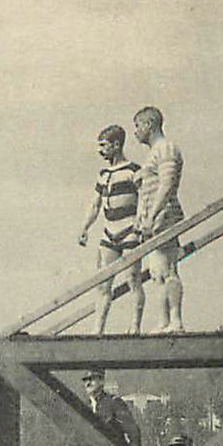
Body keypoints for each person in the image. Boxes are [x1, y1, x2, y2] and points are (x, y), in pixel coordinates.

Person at [77, 124, 146, 335]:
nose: (100, 151)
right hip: (109, 232)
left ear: (116, 145)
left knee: (133, 278)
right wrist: (85, 227)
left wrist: (141, 222)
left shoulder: (134, 170)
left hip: (129, 229)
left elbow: (143, 198)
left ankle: (134, 325)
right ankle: (97, 329)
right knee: (103, 283)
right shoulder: (103, 174)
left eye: (104, 146)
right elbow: (95, 204)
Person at [132, 106, 185, 333]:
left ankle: (175, 320)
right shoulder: (153, 153)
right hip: (151, 223)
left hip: (165, 217)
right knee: (157, 272)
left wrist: (153, 215)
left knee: (169, 269)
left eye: (137, 126)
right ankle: (164, 321)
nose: (135, 132)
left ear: (149, 125)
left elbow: (167, 184)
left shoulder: (167, 148)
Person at [82, 368, 143, 446]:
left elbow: (133, 431)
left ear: (102, 381)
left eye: (92, 379)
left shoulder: (114, 403)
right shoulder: (84, 407)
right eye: (85, 380)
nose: (88, 383)